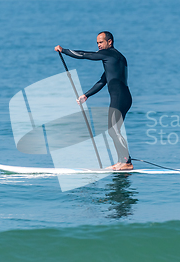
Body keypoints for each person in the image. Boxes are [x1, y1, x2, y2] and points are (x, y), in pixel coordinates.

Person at [54, 31, 133, 170]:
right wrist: (86, 95)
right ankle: (122, 161)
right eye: (97, 43)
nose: (99, 45)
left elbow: (85, 55)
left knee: (113, 130)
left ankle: (126, 162)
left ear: (110, 42)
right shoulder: (117, 58)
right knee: (114, 130)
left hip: (120, 97)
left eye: (101, 42)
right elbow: (103, 81)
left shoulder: (109, 54)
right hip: (124, 97)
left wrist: (64, 50)